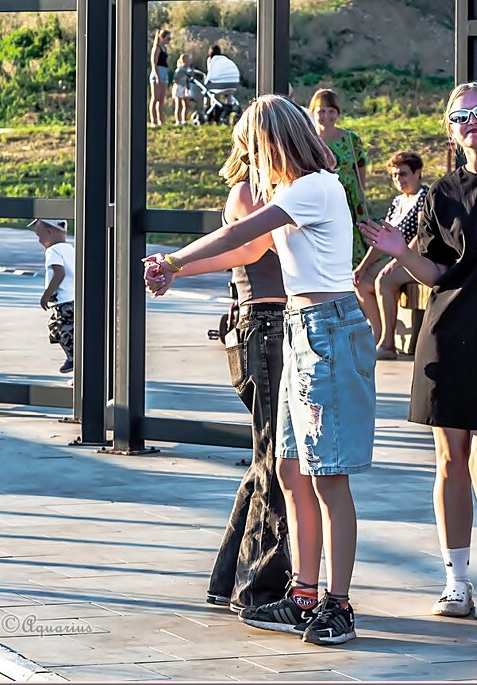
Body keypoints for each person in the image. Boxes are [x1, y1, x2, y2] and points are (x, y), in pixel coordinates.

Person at [144, 95, 375, 646]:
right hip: (298, 326)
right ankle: (302, 594)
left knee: (327, 478)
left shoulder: (316, 188)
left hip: (328, 327)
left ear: (273, 142)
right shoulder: (292, 194)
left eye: (249, 146)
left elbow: (236, 236)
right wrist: (181, 271)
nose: (246, 159)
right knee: (292, 472)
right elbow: (245, 255)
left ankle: (337, 605)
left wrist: (173, 259)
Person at [359, 82, 477, 622]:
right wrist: (398, 251)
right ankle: (456, 581)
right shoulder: (439, 193)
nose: (472, 122)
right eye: (460, 116)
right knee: (450, 462)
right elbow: (435, 274)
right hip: (446, 333)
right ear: (448, 130)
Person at [144, 136, 293, 611]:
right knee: (275, 459)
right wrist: (175, 267)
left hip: (278, 327)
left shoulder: (287, 187)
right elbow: (245, 251)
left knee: (267, 459)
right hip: (264, 328)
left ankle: (229, 579)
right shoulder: (251, 191)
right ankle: (258, 587)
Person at [353, 151, 429, 359]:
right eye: (395, 175)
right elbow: (383, 237)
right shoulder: (397, 202)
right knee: (361, 281)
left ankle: (388, 344)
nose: (399, 179)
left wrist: (399, 258)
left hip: (420, 259)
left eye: (403, 174)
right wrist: (363, 266)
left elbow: (423, 234)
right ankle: (377, 338)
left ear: (417, 172)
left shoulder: (426, 197)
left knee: (384, 280)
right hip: (397, 258)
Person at [309, 89, 371, 265]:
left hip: (350, 199)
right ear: (313, 112)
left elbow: (360, 165)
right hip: (322, 200)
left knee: (353, 242)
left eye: (331, 111)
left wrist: (361, 193)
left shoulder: (350, 139)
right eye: (321, 111)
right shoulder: (308, 140)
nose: (326, 116)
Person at [28, 218, 75, 374]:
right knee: (60, 328)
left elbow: (59, 273)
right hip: (74, 298)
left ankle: (74, 358)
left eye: (39, 235)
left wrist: (46, 295)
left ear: (49, 232)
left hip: (64, 301)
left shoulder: (52, 251)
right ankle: (75, 360)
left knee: (61, 329)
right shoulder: (70, 248)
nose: (38, 240)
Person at [148, 28, 172, 127]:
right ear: (161, 38)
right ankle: (153, 120)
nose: (169, 41)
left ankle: (160, 120)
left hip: (164, 72)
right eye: (168, 38)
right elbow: (154, 62)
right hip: (157, 72)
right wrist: (157, 77)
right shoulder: (156, 48)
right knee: (155, 98)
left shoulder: (165, 49)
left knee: (161, 99)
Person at [172, 53, 194, 126]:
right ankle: (178, 121)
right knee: (178, 105)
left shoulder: (188, 69)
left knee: (186, 104)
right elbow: (175, 79)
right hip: (179, 86)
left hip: (185, 87)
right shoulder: (180, 69)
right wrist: (182, 75)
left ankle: (184, 120)